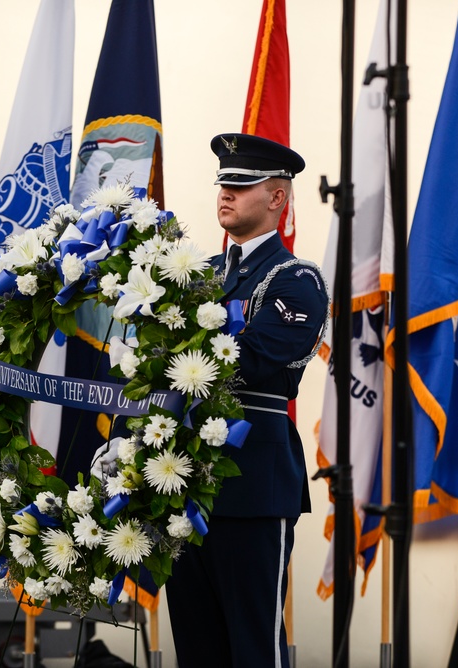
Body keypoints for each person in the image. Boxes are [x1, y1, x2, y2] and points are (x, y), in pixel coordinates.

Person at [164, 133, 329, 667]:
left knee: (253, 649)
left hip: (253, 490)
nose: (226, 194)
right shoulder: (200, 275)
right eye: (223, 184)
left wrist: (172, 343)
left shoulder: (296, 279)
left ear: (278, 198)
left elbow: (253, 358)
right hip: (186, 487)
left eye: (241, 184)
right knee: (197, 649)